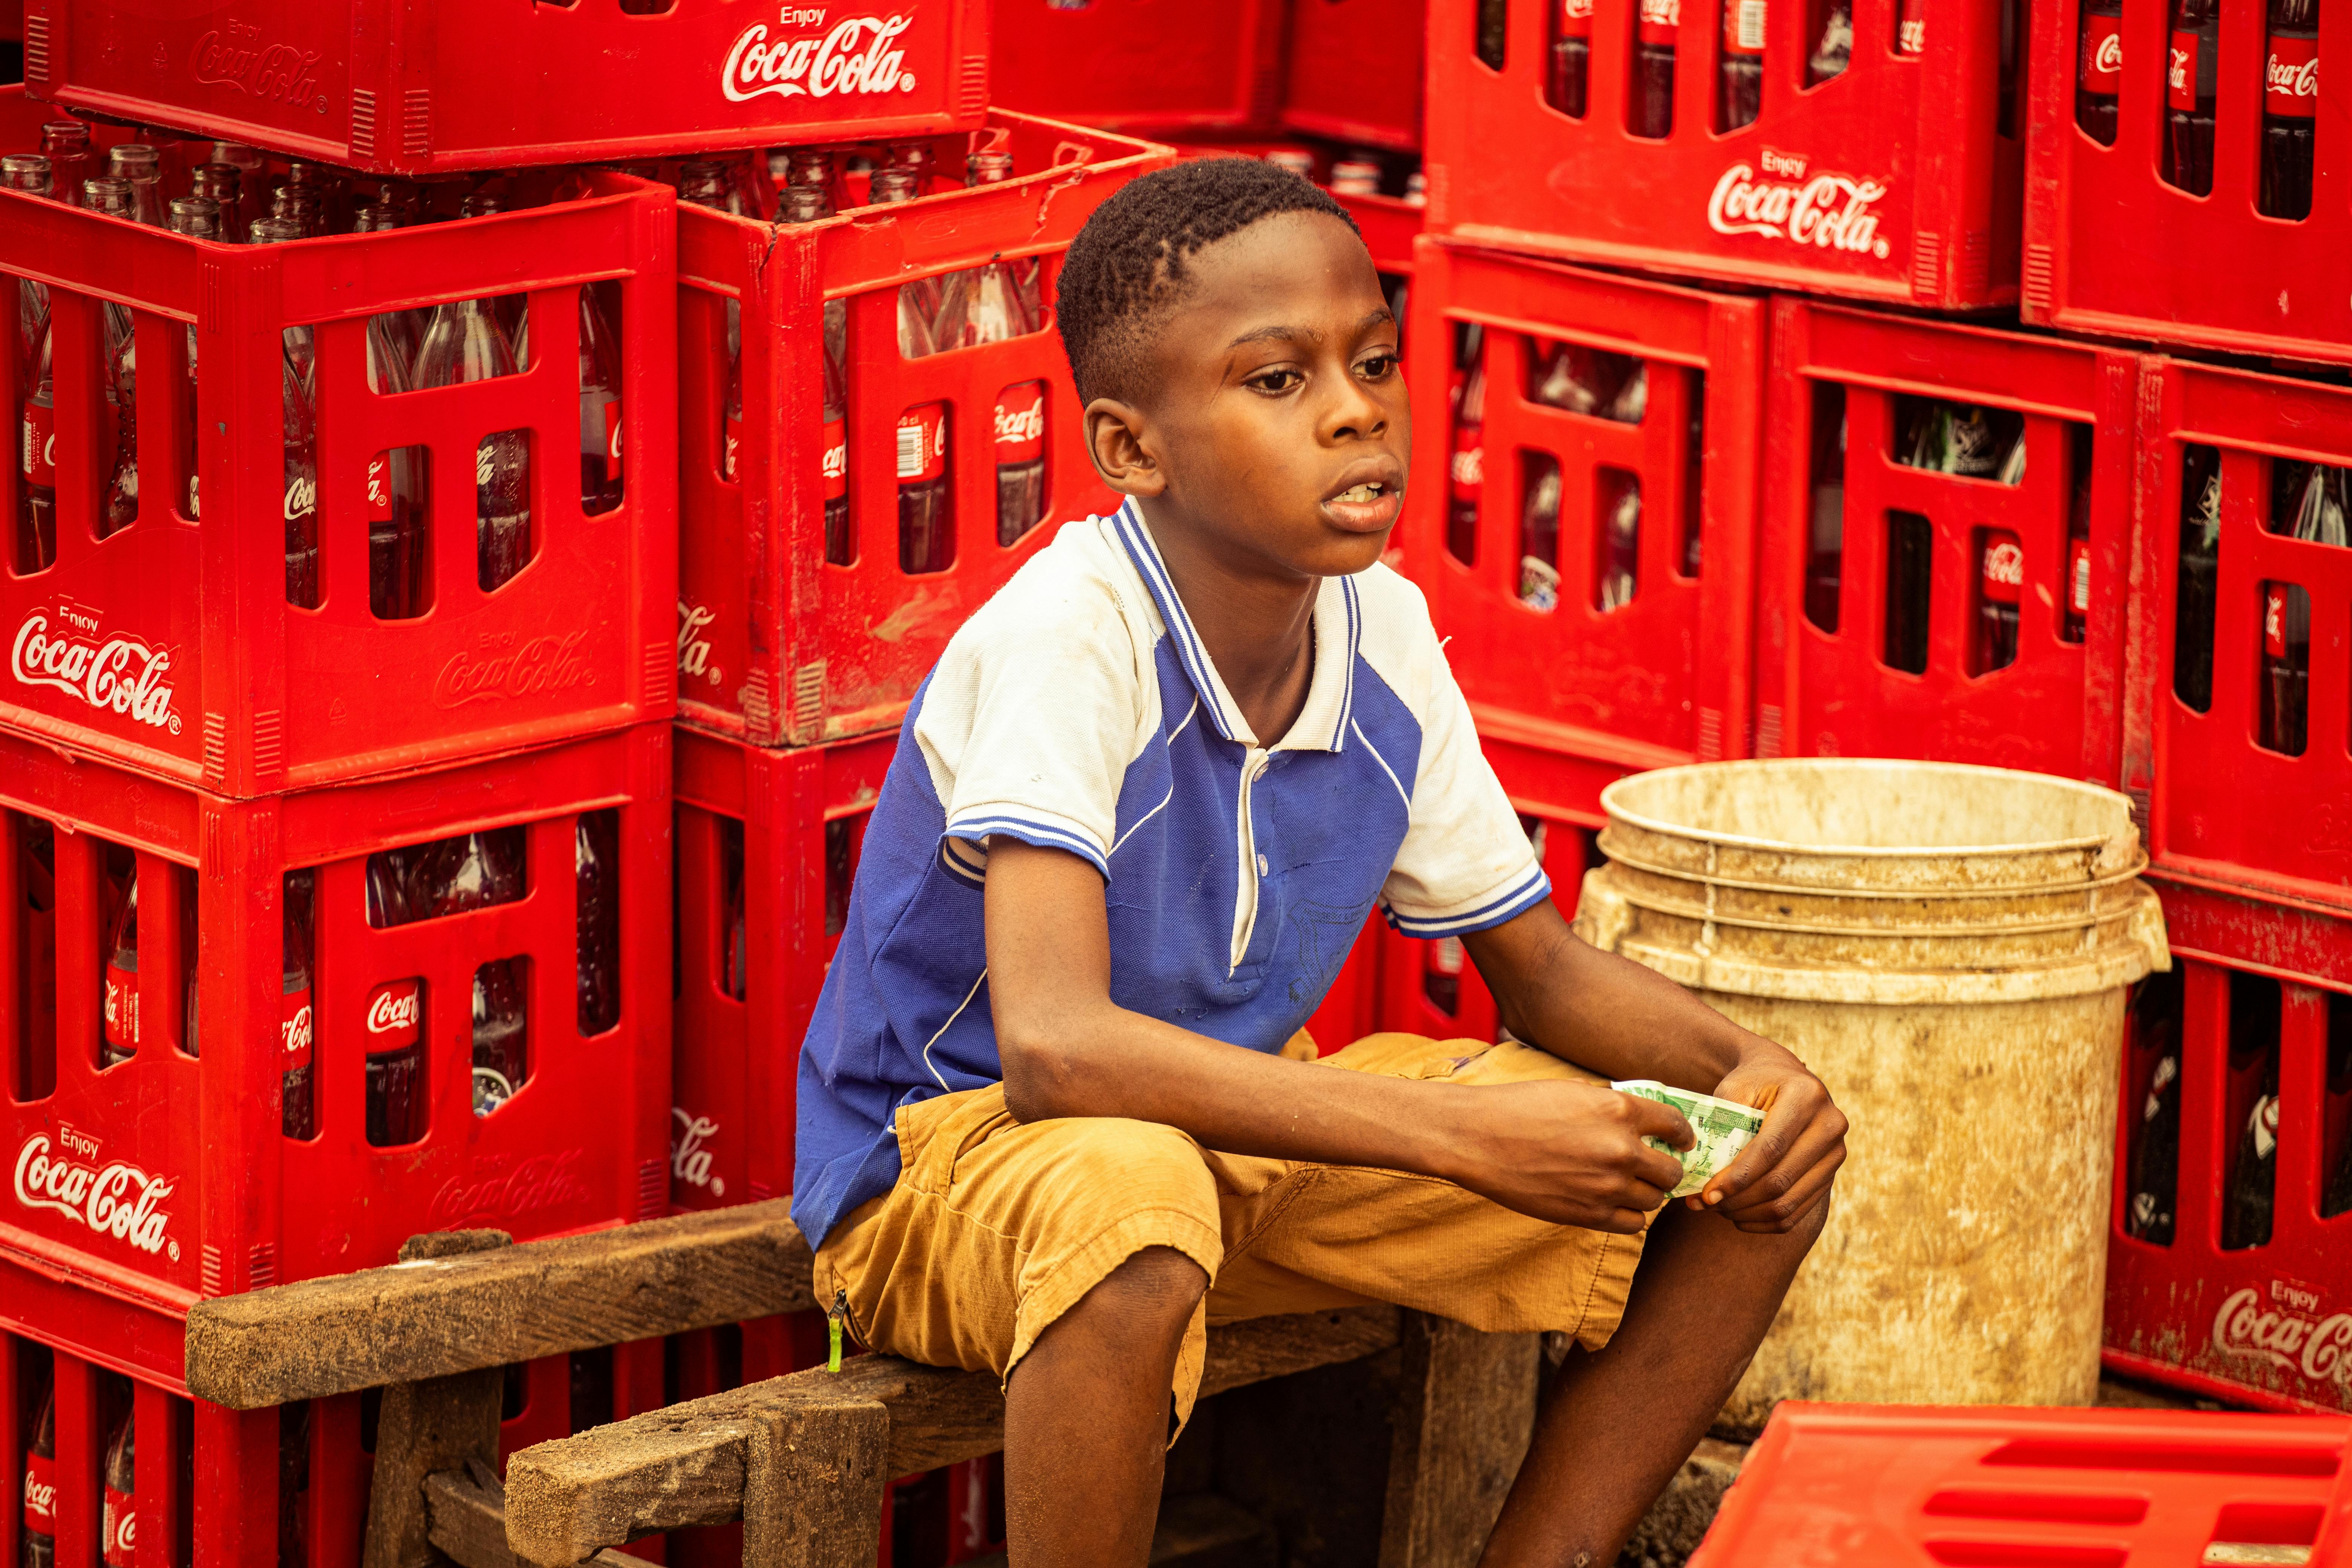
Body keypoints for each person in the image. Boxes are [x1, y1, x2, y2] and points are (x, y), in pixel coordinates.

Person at [793, 158, 1846, 1566]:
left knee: (1728, 1161)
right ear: (1132, 449)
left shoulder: (1384, 632)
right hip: (948, 1181)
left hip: (1224, 1149)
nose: (1357, 411)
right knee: (1131, 1200)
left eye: (1375, 362)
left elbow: (1539, 973)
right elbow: (1052, 1053)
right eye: (1279, 380)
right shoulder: (1071, 637)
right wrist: (1459, 1134)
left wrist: (1751, 1073)